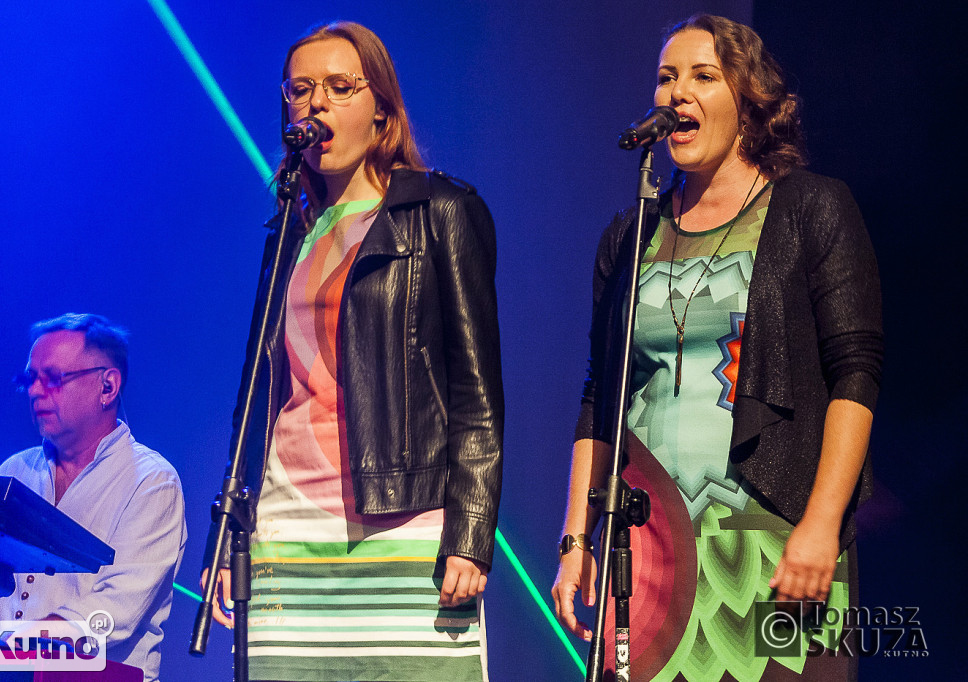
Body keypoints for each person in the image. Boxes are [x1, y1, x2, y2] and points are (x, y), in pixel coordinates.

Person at [552, 14, 882, 681]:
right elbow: (599, 395)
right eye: (666, 77)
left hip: (775, 542)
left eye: (703, 76)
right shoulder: (630, 235)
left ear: (749, 99)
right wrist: (576, 539)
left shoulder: (811, 208)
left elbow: (856, 371)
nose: (677, 92)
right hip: (647, 557)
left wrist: (822, 525)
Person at [201, 21, 503, 682]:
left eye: (340, 87)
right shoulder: (289, 231)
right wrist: (230, 534)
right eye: (300, 90)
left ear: (382, 111)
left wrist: (472, 532)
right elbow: (257, 399)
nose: (316, 104)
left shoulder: (440, 210)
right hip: (286, 530)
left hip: (406, 528)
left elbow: (476, 394)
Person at [0, 313, 187, 682]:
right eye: (30, 379)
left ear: (108, 387)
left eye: (54, 378)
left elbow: (111, 613)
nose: (35, 391)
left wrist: (4, 650)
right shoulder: (13, 471)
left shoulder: (152, 482)